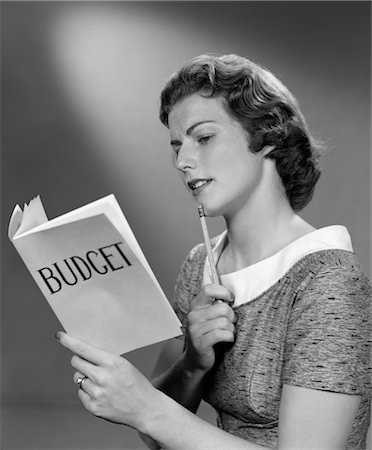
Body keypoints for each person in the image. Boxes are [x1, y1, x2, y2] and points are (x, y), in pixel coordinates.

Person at [56, 54, 371, 449]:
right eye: (176, 146)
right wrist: (192, 364)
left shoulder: (328, 282)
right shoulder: (200, 266)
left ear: (269, 136)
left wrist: (146, 408)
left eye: (203, 138)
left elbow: (155, 416)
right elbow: (156, 438)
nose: (182, 161)